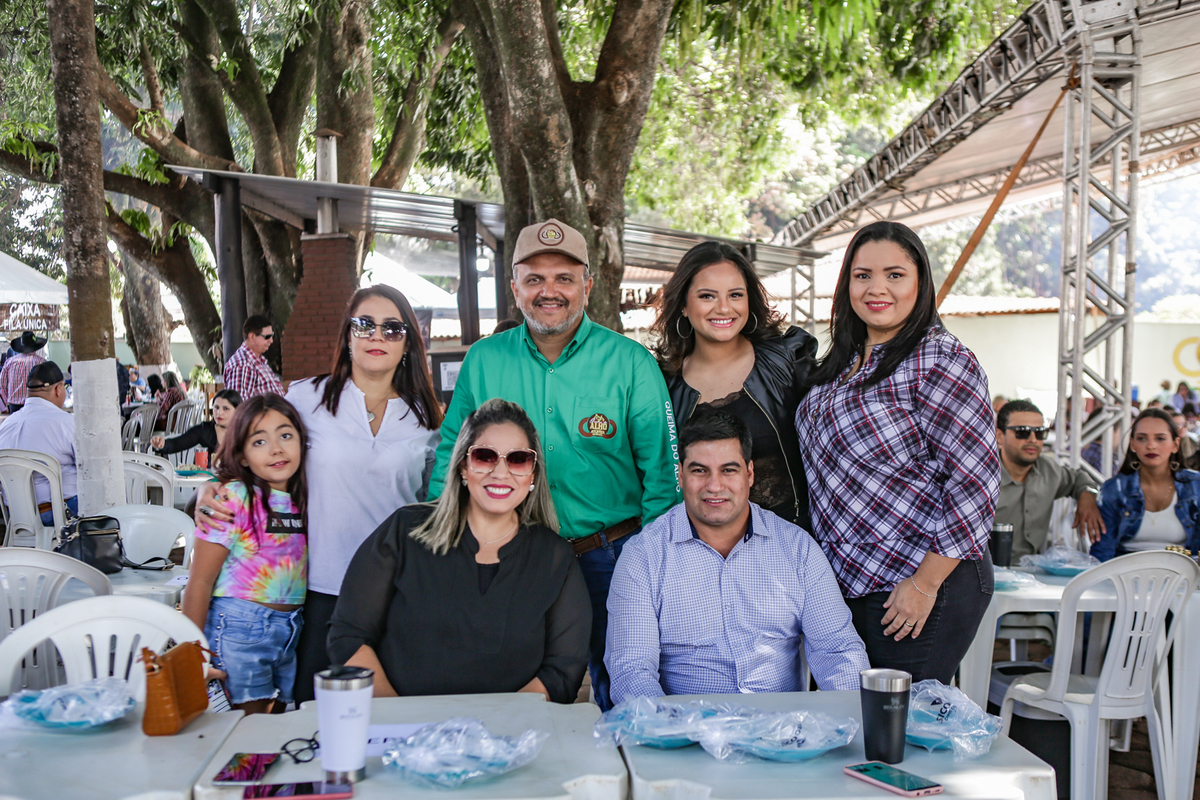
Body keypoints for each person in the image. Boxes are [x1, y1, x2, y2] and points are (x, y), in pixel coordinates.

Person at [428, 219, 679, 710]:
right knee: (519, 693)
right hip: (515, 555)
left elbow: (662, 474)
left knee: (623, 692)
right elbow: (451, 456)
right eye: (535, 279)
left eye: (564, 278)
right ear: (515, 288)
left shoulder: (631, 362)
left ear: (587, 285)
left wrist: (652, 563)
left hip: (613, 555)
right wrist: (442, 541)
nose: (550, 291)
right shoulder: (483, 360)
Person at [195, 285, 443, 704]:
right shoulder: (305, 397)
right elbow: (257, 452)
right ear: (347, 335)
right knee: (315, 720)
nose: (377, 335)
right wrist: (212, 486)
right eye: (364, 325)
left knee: (390, 717)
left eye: (392, 328)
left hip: (395, 591)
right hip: (319, 589)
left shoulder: (428, 417)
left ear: (408, 343)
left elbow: (435, 504)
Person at [794, 220, 999, 685]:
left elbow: (976, 484)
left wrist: (924, 585)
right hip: (847, 582)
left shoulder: (940, 359)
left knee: (900, 723)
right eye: (862, 275)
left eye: (894, 275)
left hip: (918, 581)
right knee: (851, 719)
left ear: (920, 283)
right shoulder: (842, 362)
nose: (877, 288)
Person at [328, 399, 590, 702]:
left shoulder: (555, 557)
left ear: (533, 474)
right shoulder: (404, 532)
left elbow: (563, 669)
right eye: (484, 456)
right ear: (463, 466)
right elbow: (349, 635)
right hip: (402, 726)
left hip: (515, 730)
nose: (500, 472)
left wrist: (502, 727)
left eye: (518, 459)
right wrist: (402, 719)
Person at [606, 409, 869, 703]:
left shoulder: (797, 549)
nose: (714, 486)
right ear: (680, 475)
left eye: (728, 470)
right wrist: (670, 727)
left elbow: (838, 651)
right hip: (685, 725)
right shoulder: (643, 556)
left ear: (750, 474)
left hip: (782, 725)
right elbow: (631, 670)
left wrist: (853, 718)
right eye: (699, 470)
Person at [652, 241, 817, 528]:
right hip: (703, 546)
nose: (724, 308)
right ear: (683, 305)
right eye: (707, 296)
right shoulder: (662, 385)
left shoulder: (787, 359)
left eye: (735, 295)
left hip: (794, 541)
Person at [182, 394, 308, 713]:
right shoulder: (232, 499)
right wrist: (192, 655)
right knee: (247, 729)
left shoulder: (305, 498)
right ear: (242, 455)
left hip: (290, 631)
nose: (276, 449)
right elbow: (199, 582)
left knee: (274, 726)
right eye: (259, 441)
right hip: (239, 630)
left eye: (286, 435)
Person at [994, 399, 1104, 560]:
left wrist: (1087, 495)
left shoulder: (1048, 470)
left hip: (1030, 571)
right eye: (1022, 432)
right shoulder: (981, 477)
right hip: (981, 571)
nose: (1033, 439)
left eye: (1039, 433)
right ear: (999, 436)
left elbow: (1078, 479)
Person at [1091, 408, 1200, 560]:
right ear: (1132, 444)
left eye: (1160, 438)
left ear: (1175, 444)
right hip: (1124, 572)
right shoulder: (1115, 488)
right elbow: (1102, 552)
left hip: (1182, 572)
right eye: (1142, 438)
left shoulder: (1195, 485)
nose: (1151, 445)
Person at [0, 362, 77, 522]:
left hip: (16, 516)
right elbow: (92, 468)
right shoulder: (67, 423)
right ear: (58, 389)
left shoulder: (6, 425)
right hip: (61, 515)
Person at [151, 389, 242, 465]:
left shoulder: (244, 432)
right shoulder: (204, 430)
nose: (219, 412)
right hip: (210, 479)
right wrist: (161, 444)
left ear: (238, 410)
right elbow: (177, 444)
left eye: (226, 408)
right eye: (216, 407)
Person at [222, 314, 284, 400]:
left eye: (272, 335)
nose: (271, 340)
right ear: (252, 336)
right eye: (267, 337)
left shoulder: (258, 361)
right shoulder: (242, 365)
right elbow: (239, 405)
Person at [0, 332, 48, 413]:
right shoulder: (42, 363)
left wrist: (7, 401)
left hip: (14, 404)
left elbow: (2, 385)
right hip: (36, 403)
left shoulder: (9, 362)